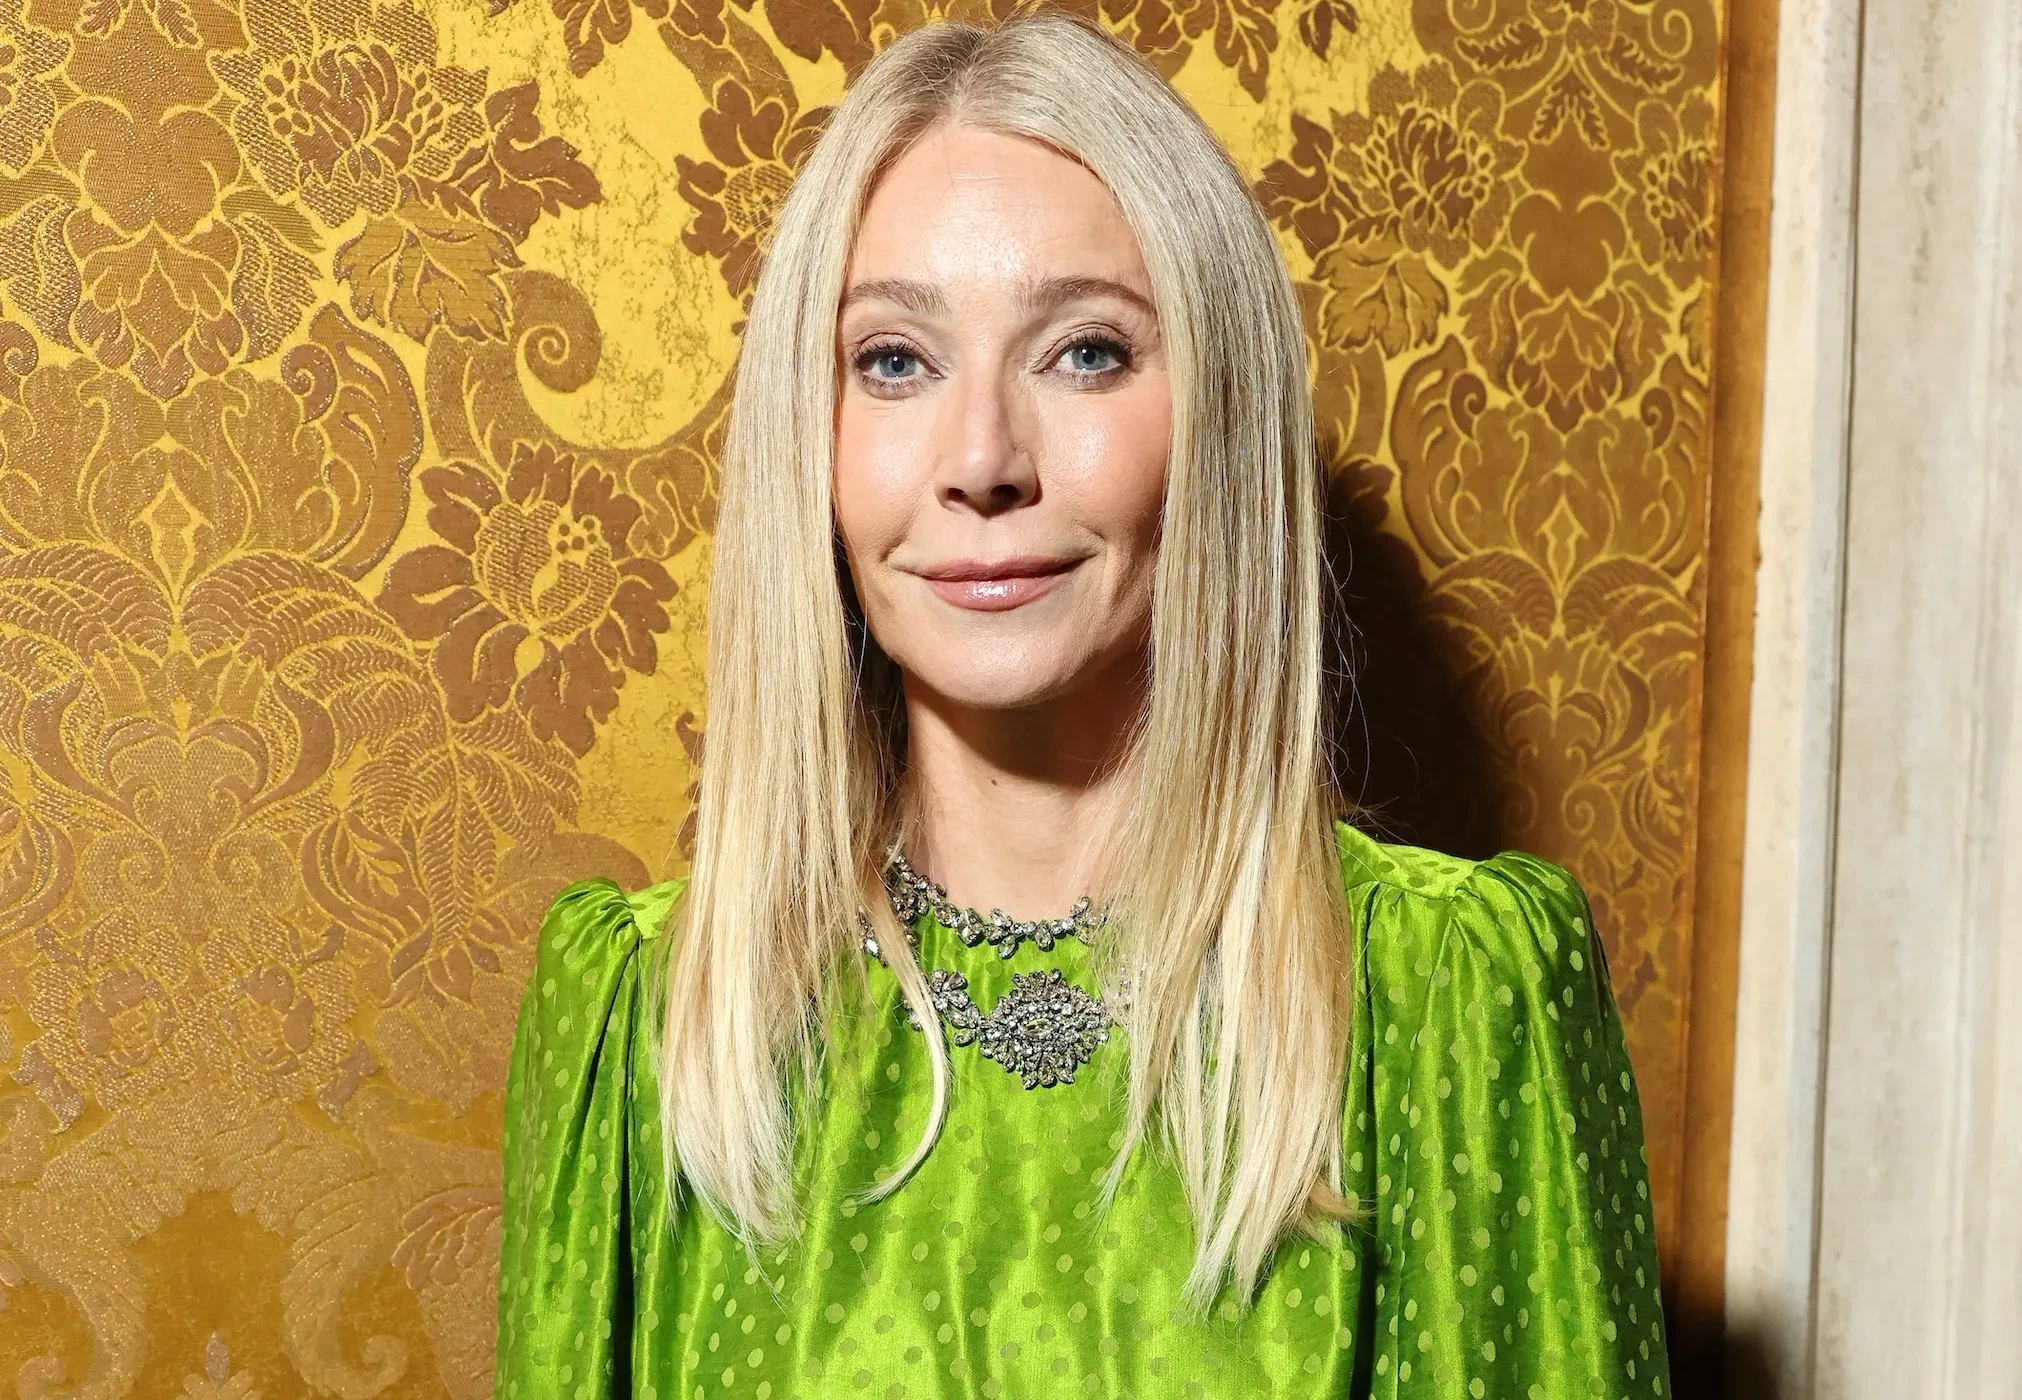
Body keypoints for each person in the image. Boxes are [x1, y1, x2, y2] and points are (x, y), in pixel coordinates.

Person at [493, 12, 1672, 1399]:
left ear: (1220, 416)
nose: (983, 458)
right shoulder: (647, 1017)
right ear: (809, 440)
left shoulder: (1451, 1000)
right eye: (894, 360)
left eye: (1086, 352)